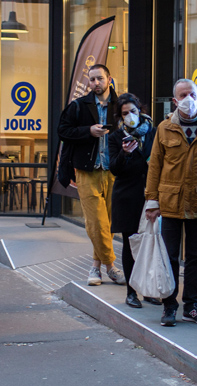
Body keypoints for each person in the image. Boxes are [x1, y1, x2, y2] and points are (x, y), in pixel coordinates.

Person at [145, 78, 197, 327]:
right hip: (169, 204)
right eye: (182, 95)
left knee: (194, 258)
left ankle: (191, 306)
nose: (187, 99)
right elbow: (155, 166)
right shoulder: (164, 128)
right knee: (169, 257)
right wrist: (151, 201)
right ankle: (170, 305)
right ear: (175, 100)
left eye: (191, 94)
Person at [57, 64, 126, 286]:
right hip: (87, 171)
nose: (95, 83)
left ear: (109, 79)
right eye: (92, 79)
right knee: (95, 223)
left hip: (114, 171)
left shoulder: (121, 106)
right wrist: (88, 131)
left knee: (107, 223)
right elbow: (63, 131)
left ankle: (95, 268)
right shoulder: (79, 106)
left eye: (99, 79)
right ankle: (111, 267)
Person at [107, 93, 162, 308]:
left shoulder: (154, 133)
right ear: (120, 116)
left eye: (133, 111)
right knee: (130, 245)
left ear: (141, 111)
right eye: (125, 113)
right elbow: (114, 169)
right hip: (127, 197)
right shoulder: (115, 137)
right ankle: (131, 292)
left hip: (150, 196)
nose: (130, 116)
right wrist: (124, 154)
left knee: (151, 244)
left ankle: (148, 290)